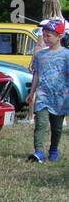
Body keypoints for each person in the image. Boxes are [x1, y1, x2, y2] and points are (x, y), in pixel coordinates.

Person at [26, 17, 69, 162]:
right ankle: (38, 151)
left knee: (56, 128)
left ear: (59, 36)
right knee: (41, 124)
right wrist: (32, 93)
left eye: (49, 35)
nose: (45, 38)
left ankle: (53, 149)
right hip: (43, 96)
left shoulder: (66, 55)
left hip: (60, 97)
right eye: (44, 35)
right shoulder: (40, 55)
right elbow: (36, 74)